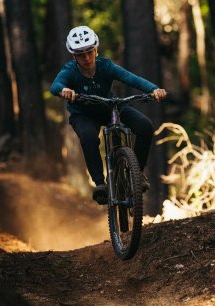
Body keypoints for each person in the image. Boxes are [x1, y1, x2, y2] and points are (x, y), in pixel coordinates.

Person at [50, 25, 167, 203]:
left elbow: (130, 78)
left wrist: (154, 89)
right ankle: (100, 184)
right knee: (88, 136)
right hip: (83, 115)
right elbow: (55, 86)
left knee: (145, 125)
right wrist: (63, 90)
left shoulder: (106, 66)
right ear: (74, 56)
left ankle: (137, 174)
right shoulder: (70, 70)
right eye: (80, 54)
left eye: (90, 52)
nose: (87, 58)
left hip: (109, 107)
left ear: (96, 50)